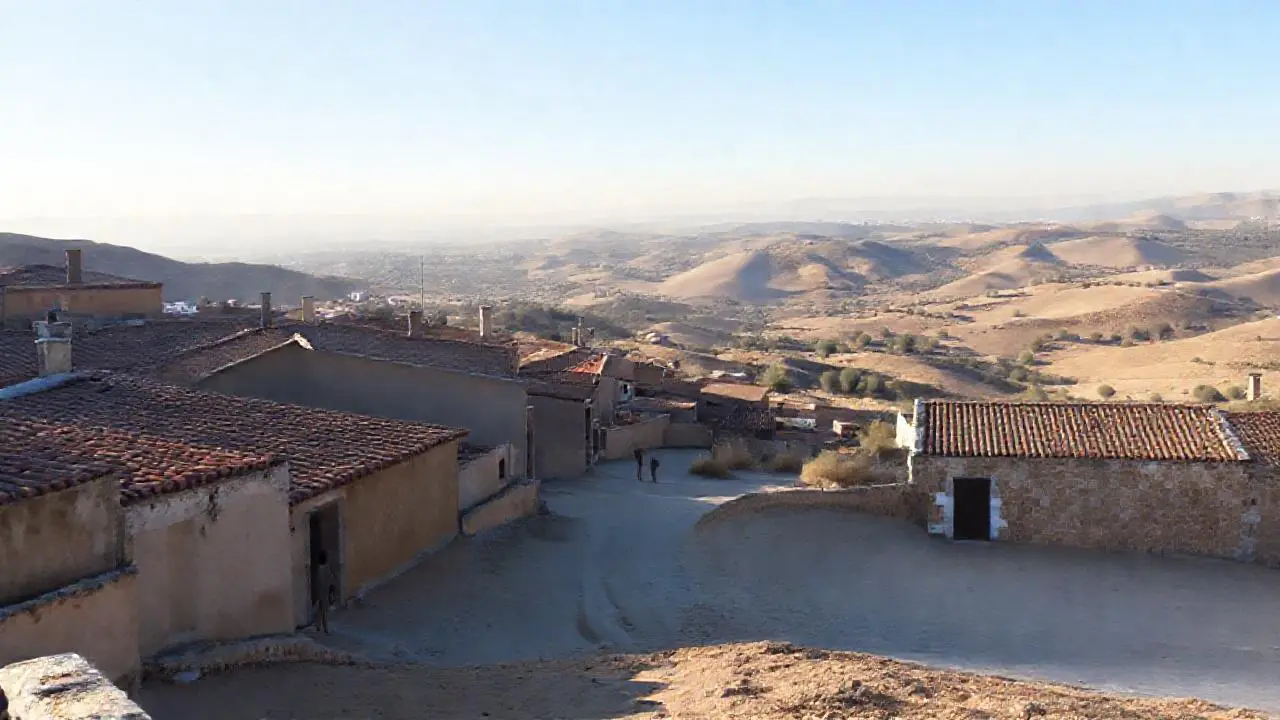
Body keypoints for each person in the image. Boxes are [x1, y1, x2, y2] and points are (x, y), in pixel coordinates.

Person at [313, 551, 334, 635]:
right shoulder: (326, 569)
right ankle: (326, 628)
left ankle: (318, 626)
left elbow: (317, 581)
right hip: (325, 592)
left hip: (319, 591)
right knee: (324, 611)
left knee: (320, 610)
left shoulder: (318, 569)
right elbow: (330, 580)